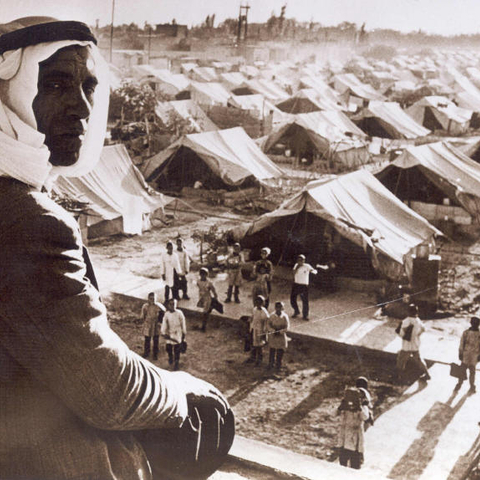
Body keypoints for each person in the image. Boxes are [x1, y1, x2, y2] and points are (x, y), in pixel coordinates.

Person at [0, 17, 230, 480]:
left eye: (88, 86)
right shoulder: (28, 221)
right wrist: (184, 388)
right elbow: (107, 391)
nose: (82, 107)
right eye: (57, 83)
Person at [337, 383, 371, 470]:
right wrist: (341, 407)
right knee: (342, 466)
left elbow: (365, 417)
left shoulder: (363, 407)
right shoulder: (345, 407)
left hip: (355, 441)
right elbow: (334, 414)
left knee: (355, 467)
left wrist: (359, 408)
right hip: (344, 440)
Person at [396, 304, 430, 384]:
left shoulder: (405, 321)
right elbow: (424, 329)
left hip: (406, 346)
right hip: (415, 345)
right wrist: (417, 335)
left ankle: (399, 377)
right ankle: (427, 374)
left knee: (401, 360)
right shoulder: (418, 320)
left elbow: (401, 334)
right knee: (419, 360)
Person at [455, 316, 480, 393]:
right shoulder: (466, 333)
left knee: (472, 372)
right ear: (471, 323)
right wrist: (460, 353)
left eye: (476, 323)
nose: (474, 325)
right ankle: (459, 383)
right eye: (473, 323)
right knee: (462, 370)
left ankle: (472, 385)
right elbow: (462, 343)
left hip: (474, 356)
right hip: (466, 354)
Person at [161, 298, 187, 371]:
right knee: (168, 348)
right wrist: (163, 332)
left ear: (176, 305)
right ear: (168, 305)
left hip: (177, 333)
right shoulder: (166, 314)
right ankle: (170, 357)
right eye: (171, 304)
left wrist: (183, 334)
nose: (172, 306)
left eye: (174, 304)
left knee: (177, 349)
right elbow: (164, 323)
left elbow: (183, 323)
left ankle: (176, 362)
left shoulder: (179, 313)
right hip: (170, 333)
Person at [290, 254, 317, 320]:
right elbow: (293, 273)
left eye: (302, 260)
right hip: (296, 284)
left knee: (304, 301)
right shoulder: (296, 265)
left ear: (304, 260)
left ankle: (305, 315)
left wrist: (313, 271)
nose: (300, 261)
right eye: (299, 260)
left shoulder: (307, 266)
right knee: (292, 299)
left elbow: (314, 271)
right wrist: (297, 267)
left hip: (303, 285)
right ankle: (296, 311)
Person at [141, 292, 165, 360]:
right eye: (150, 299)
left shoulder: (159, 306)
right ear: (148, 299)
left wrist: (160, 321)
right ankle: (146, 352)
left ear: (156, 299)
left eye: (154, 299)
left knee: (155, 339)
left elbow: (164, 313)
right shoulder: (145, 306)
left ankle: (155, 353)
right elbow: (143, 315)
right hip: (148, 324)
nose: (152, 300)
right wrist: (144, 322)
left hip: (155, 324)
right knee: (147, 339)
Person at [246, 295, 269, 366]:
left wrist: (264, 333)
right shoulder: (255, 309)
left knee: (259, 345)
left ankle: (259, 359)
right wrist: (249, 321)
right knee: (253, 343)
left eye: (260, 302)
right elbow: (252, 317)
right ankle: (252, 357)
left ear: (263, 303)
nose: (258, 303)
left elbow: (266, 323)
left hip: (260, 330)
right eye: (257, 301)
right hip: (253, 328)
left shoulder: (264, 312)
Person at [267, 301, 290, 371]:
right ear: (275, 308)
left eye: (280, 307)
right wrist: (272, 330)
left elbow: (287, 327)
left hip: (281, 335)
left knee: (280, 349)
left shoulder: (285, 317)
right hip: (273, 335)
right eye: (277, 307)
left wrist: (280, 332)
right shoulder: (271, 316)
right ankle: (271, 364)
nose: (278, 309)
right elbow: (268, 325)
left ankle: (278, 364)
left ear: (282, 308)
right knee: (272, 349)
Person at [197, 267, 218, 332]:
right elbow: (199, 287)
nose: (203, 276)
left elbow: (213, 290)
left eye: (204, 274)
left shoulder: (209, 283)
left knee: (205, 312)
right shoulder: (198, 281)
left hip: (207, 298)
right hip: (202, 297)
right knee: (204, 309)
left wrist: (215, 296)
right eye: (201, 274)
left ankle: (204, 326)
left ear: (207, 275)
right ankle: (210, 308)